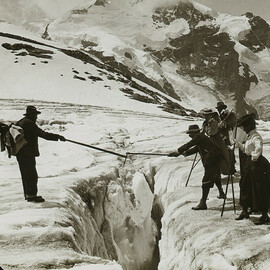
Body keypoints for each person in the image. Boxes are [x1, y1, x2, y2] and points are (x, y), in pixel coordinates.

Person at [16, 106, 66, 203]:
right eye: (35, 115)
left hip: (21, 152)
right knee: (31, 175)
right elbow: (43, 134)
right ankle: (32, 196)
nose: (36, 117)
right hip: (27, 153)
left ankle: (28, 195)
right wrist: (58, 137)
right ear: (31, 115)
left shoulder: (22, 122)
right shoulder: (29, 123)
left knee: (26, 174)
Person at [168, 124, 221, 210]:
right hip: (214, 160)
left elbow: (190, 144)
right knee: (215, 177)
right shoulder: (201, 138)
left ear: (194, 133)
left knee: (206, 181)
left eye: (190, 133)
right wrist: (186, 153)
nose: (189, 136)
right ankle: (221, 193)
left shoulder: (199, 137)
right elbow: (197, 148)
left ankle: (203, 203)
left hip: (212, 161)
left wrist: (178, 151)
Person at [233, 114, 270, 225]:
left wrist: (254, 157)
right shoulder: (249, 136)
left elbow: (258, 147)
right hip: (249, 164)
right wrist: (238, 144)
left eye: (244, 126)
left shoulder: (255, 136)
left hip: (257, 164)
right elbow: (246, 150)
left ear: (249, 125)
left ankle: (264, 214)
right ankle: (245, 210)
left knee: (259, 188)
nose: (243, 129)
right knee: (245, 185)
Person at [200, 108, 227, 198]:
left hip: (216, 146)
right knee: (215, 172)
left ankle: (217, 192)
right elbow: (203, 132)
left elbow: (213, 133)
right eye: (204, 115)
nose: (205, 116)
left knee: (213, 170)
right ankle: (221, 192)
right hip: (209, 146)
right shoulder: (204, 123)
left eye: (207, 115)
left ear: (210, 115)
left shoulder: (214, 123)